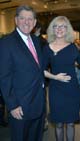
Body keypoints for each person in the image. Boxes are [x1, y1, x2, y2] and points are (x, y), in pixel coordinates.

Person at [0, 5, 46, 141]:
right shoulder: (6, 43)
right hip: (20, 106)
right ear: (16, 20)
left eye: (30, 19)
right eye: (22, 18)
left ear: (35, 22)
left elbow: (38, 71)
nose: (27, 22)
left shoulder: (37, 41)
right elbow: (4, 76)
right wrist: (12, 105)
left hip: (38, 104)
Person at [43, 16, 80, 141]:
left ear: (67, 29)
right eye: (56, 26)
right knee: (59, 124)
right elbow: (41, 70)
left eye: (62, 26)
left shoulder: (72, 47)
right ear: (52, 29)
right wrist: (55, 77)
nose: (59, 29)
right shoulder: (47, 48)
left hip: (72, 90)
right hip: (56, 90)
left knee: (71, 123)